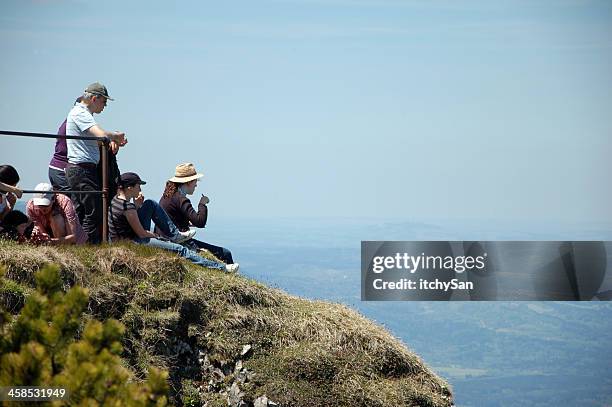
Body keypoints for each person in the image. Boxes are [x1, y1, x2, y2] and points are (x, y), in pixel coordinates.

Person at [108, 172, 239, 272]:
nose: (140, 190)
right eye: (138, 186)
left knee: (149, 203)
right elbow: (141, 234)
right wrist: (157, 237)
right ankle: (221, 268)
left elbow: (126, 223)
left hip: (124, 239)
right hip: (132, 243)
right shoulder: (127, 207)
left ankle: (175, 235)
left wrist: (137, 206)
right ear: (129, 188)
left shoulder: (116, 201)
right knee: (180, 250)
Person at [65, 82, 127, 244]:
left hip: (81, 169)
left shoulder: (81, 113)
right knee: (95, 212)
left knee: (84, 210)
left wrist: (110, 140)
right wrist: (115, 136)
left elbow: (95, 139)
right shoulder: (81, 113)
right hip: (82, 169)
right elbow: (100, 134)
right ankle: (89, 247)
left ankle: (80, 246)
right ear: (94, 99)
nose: (105, 105)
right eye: (103, 101)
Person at [159, 163, 235, 264]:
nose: (196, 184)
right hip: (177, 241)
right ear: (188, 182)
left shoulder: (167, 196)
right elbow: (200, 222)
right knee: (225, 254)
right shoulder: (181, 199)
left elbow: (173, 219)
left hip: (163, 238)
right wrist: (202, 204)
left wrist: (186, 222)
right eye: (195, 181)